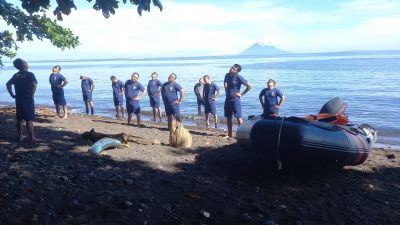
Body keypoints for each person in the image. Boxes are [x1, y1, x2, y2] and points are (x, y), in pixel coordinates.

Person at [6, 58, 38, 143]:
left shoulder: (16, 75)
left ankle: (20, 136)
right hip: (27, 98)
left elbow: (8, 84)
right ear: (24, 65)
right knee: (29, 119)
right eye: (26, 63)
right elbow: (34, 85)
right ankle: (32, 137)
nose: (27, 64)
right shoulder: (30, 74)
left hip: (19, 99)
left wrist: (12, 94)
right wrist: (32, 95)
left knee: (20, 118)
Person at [224, 64, 252, 137]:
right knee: (228, 117)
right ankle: (229, 134)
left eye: (233, 68)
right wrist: (226, 90)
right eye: (231, 67)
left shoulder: (239, 77)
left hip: (235, 100)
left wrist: (242, 94)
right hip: (227, 99)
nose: (231, 69)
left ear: (237, 71)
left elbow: (250, 86)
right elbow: (225, 83)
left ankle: (241, 135)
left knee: (239, 118)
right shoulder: (227, 75)